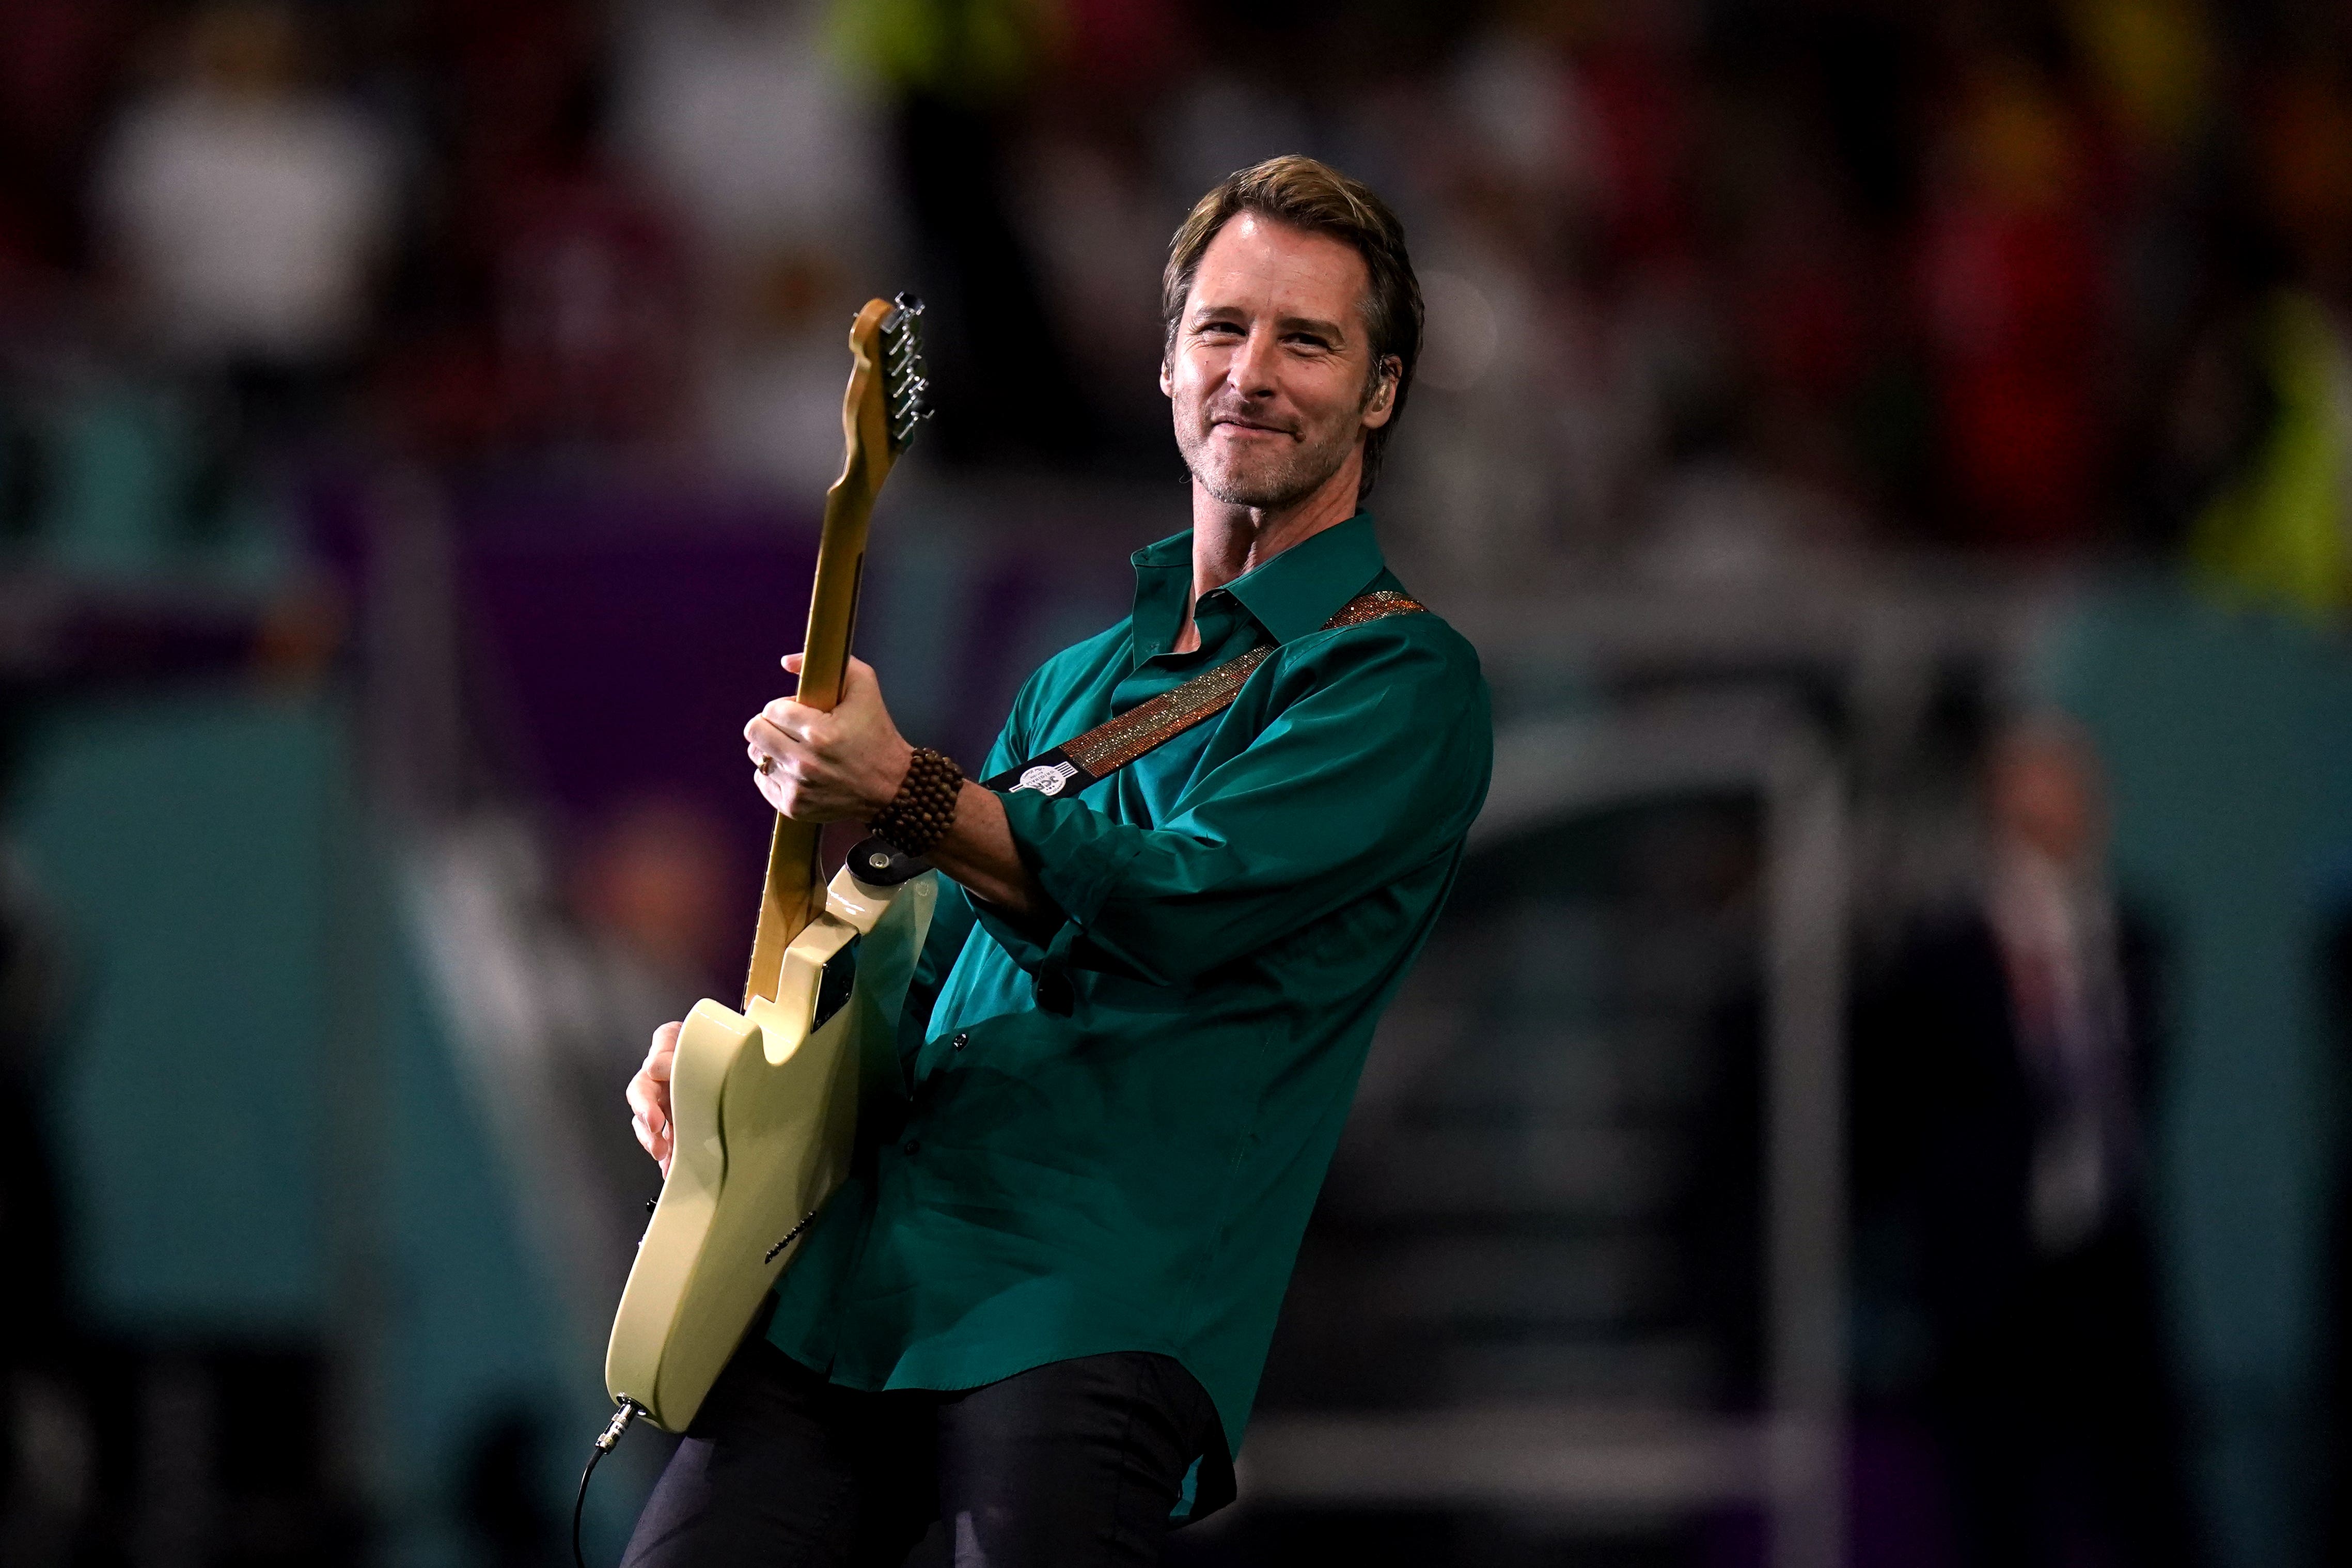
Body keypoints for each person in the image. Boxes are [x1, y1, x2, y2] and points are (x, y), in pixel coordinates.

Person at [619, 155, 1492, 1566]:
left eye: (1307, 339)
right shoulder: (1078, 676)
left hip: (1089, 1303)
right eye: (1221, 328)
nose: (1251, 370)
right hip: (855, 1284)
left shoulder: (1401, 681)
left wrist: (907, 785)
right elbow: (931, 989)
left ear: (1379, 393)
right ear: (1164, 366)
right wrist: (740, 1080)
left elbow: (1180, 909)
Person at [1857, 716, 2201, 1567]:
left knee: (2144, 1493)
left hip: (2107, 1261)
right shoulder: (1944, 952)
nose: (2062, 808)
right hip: (1990, 1271)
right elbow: (1903, 1114)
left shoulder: (2137, 940)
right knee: (1994, 1499)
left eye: (2074, 787)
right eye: (2041, 786)